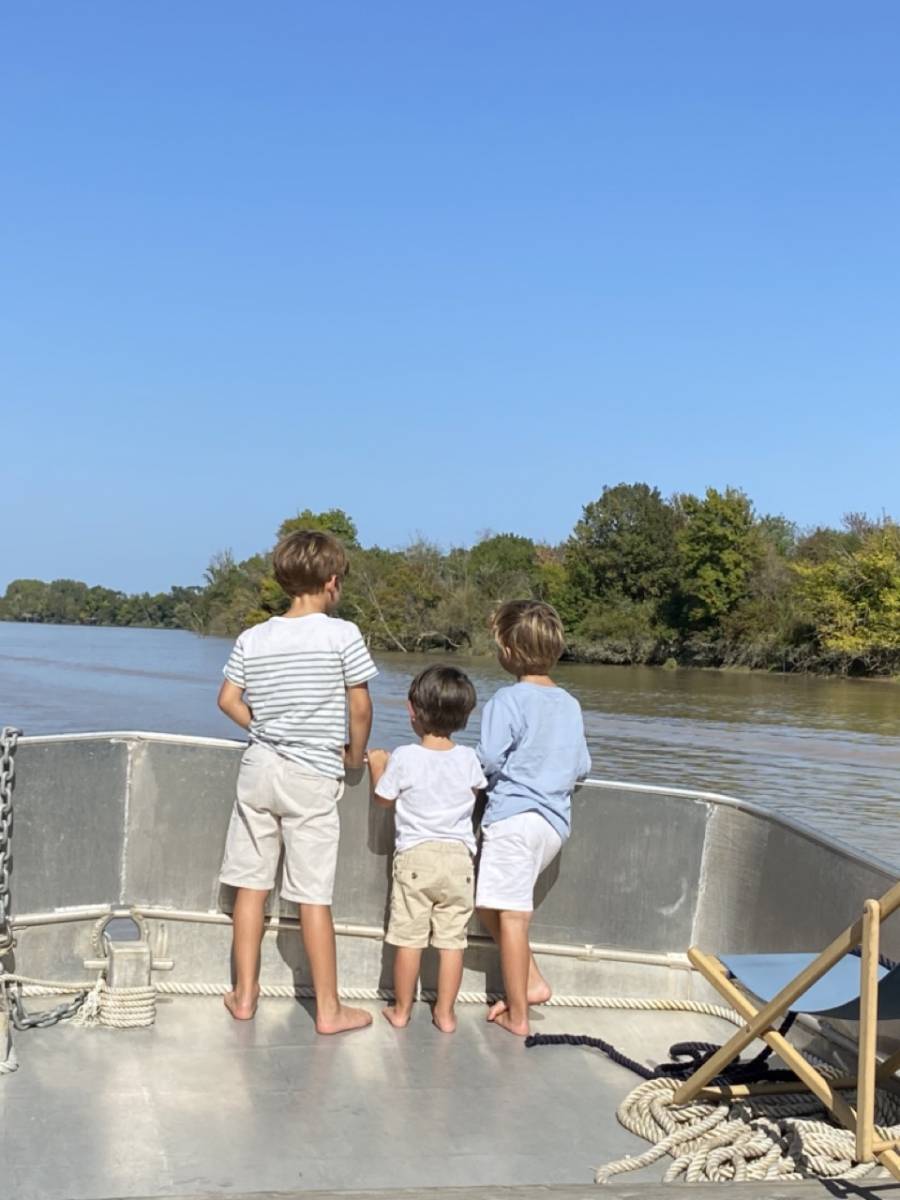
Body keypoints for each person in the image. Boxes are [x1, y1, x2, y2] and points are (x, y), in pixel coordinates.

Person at [217, 529, 377, 1034]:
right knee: (312, 894)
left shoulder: (254, 637)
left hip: (259, 769)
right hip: (312, 775)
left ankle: (244, 996)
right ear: (332, 583)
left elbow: (227, 699)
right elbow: (360, 705)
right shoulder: (342, 634)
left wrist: (262, 727)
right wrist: (353, 756)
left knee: (250, 887)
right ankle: (328, 1010)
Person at [476, 600, 591, 1037]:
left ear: (506, 649)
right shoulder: (569, 704)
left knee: (510, 916)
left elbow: (487, 758)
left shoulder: (506, 700)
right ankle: (534, 981)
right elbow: (582, 766)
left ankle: (518, 1015)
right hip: (553, 826)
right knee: (491, 903)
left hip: (514, 819)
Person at [367, 665, 486, 1033]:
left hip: (416, 857)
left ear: (411, 710)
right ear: (465, 716)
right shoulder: (468, 759)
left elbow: (383, 800)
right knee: (453, 942)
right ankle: (446, 1014)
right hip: (458, 860)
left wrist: (376, 766)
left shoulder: (404, 756)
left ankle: (402, 1010)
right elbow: (474, 793)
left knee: (409, 939)